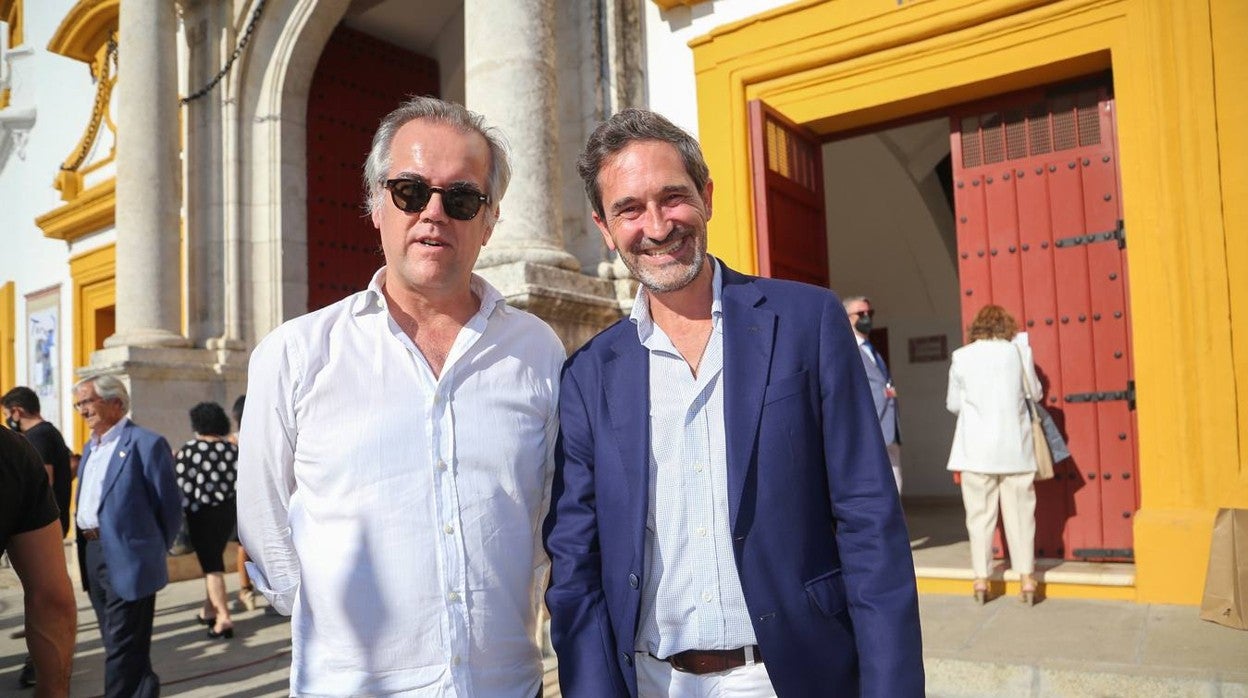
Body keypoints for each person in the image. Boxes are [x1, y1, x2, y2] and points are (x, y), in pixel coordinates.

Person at [544, 109, 924, 698]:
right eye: (629, 209)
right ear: (603, 226)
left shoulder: (807, 322)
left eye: (673, 198)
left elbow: (869, 520)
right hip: (653, 680)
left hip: (786, 677)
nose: (657, 225)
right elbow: (576, 560)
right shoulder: (589, 374)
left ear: (708, 196)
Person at [237, 95, 564, 697]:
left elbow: (547, 513)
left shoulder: (537, 350)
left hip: (504, 684)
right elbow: (262, 518)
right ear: (375, 204)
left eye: (462, 198)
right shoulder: (295, 354)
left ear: (489, 222)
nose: (434, 214)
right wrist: (323, 618)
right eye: (411, 192)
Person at [73, 375, 182, 697]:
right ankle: (144, 690)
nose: (82, 411)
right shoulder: (89, 448)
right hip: (92, 553)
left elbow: (170, 507)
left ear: (116, 402)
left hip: (130, 556)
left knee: (121, 644)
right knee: (118, 639)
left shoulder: (146, 443)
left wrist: (150, 551)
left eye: (87, 402)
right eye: (78, 404)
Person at [946, 304, 1041, 605]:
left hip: (976, 450)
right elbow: (1035, 393)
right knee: (1021, 516)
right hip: (1015, 448)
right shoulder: (1018, 352)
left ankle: (981, 579)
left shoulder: (962, 356)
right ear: (1007, 326)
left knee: (979, 518)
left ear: (976, 328)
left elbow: (953, 404)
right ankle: (1026, 579)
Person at [3, 386, 74, 689]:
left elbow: (50, 475)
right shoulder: (13, 450)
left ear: (17, 411)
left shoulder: (37, 438)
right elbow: (51, 599)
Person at [174, 401, 240, 639]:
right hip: (227, 514)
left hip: (200, 515)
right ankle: (209, 610)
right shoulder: (232, 450)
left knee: (212, 567)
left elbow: (181, 487)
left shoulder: (190, 450)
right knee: (212, 563)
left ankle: (224, 617)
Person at [842, 297, 902, 493]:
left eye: (869, 313)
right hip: (869, 428)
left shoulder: (871, 349)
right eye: (861, 314)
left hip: (889, 427)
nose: (867, 317)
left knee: (894, 485)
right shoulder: (846, 350)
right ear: (848, 318)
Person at [3, 387, 73, 536]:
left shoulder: (37, 437)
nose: (7, 420)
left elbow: (43, 480)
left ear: (17, 412)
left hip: (40, 530)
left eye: (6, 414)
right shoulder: (49, 432)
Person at [228, 394, 260, 612]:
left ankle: (245, 589)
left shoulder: (232, 440)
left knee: (243, 546)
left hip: (240, 499)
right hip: (260, 495)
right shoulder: (260, 435)